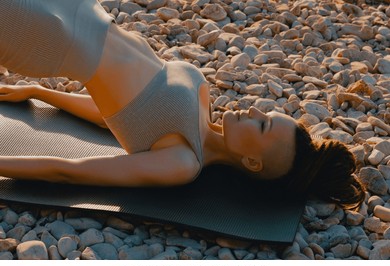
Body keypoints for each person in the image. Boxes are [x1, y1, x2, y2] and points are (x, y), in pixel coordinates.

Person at [0, 0, 365, 210]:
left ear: (252, 162)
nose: (254, 111)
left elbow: (73, 171)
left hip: (53, 35)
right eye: (266, 114)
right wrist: (40, 93)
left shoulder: (181, 162)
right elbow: (113, 115)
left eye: (262, 125)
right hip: (83, 8)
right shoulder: (201, 99)